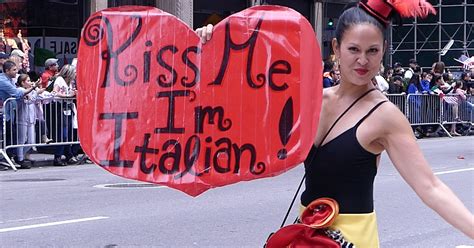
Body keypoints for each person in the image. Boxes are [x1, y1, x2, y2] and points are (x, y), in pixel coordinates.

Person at [195, 1, 474, 247]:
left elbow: (430, 187)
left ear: (384, 51)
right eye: (353, 49)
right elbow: (237, 115)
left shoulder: (386, 116)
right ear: (336, 48)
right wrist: (208, 49)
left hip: (351, 240)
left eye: (372, 51)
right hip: (305, 233)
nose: (363, 60)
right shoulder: (311, 99)